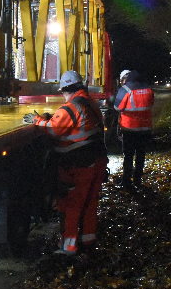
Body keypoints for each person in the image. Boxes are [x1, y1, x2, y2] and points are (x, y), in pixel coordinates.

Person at [23, 70, 108, 255]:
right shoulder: (90, 104)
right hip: (95, 161)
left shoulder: (70, 107)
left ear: (65, 90)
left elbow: (55, 130)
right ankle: (88, 239)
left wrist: (37, 120)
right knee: (89, 203)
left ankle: (68, 247)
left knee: (70, 205)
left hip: (77, 166)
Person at [114, 69, 155, 190]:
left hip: (129, 129)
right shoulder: (148, 89)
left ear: (126, 79)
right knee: (141, 155)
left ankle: (126, 182)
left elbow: (117, 107)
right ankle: (137, 180)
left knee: (128, 156)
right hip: (145, 129)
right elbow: (151, 103)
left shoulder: (126, 89)